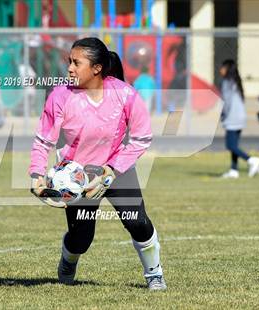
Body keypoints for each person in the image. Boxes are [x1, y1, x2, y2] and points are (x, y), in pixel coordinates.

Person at [28, 37, 166, 290]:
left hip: (116, 168)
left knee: (136, 221)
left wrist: (111, 171)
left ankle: (154, 273)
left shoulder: (125, 94)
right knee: (81, 239)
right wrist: (36, 175)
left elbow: (142, 138)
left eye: (76, 63)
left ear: (97, 68)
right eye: (69, 61)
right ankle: (69, 260)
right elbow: (43, 140)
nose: (69, 67)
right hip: (76, 174)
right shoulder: (60, 96)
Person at [219, 59, 259, 178]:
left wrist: (222, 114)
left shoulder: (226, 82)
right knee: (235, 145)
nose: (220, 70)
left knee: (230, 145)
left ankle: (252, 160)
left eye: (222, 67)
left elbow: (226, 102)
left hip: (232, 117)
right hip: (240, 117)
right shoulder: (236, 82)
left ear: (227, 69)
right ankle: (234, 170)